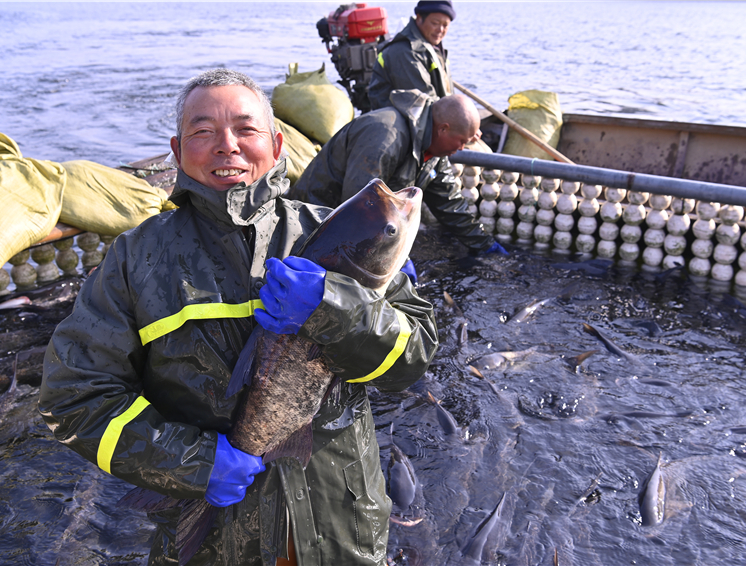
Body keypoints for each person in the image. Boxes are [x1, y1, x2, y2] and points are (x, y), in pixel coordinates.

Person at [38, 68, 439, 566]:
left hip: (341, 528)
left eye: (245, 129)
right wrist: (192, 462)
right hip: (218, 547)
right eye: (203, 132)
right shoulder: (134, 258)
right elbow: (72, 396)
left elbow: (415, 357)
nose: (227, 145)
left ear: (275, 145)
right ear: (177, 151)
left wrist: (339, 308)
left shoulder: (328, 229)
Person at [287, 90, 507, 272]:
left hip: (364, 223)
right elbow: (359, 208)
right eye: (461, 142)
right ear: (443, 128)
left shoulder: (434, 152)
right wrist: (396, 260)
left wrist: (485, 245)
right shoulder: (385, 137)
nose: (460, 150)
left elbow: (449, 204)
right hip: (316, 220)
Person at [367, 0, 456, 112]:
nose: (440, 30)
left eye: (445, 25)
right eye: (435, 23)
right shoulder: (405, 52)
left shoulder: (434, 47)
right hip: (401, 125)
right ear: (419, 18)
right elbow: (426, 104)